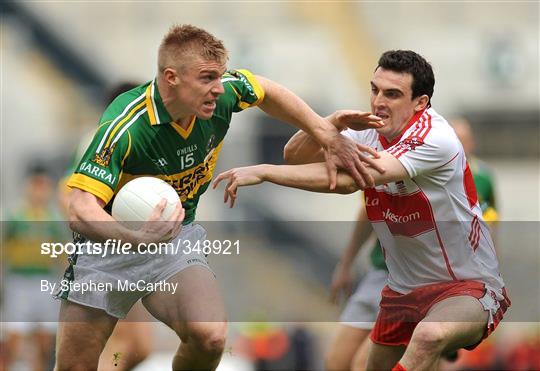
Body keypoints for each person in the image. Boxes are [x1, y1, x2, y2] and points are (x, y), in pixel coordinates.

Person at [55, 24, 384, 371]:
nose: (218, 89)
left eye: (220, 76)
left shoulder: (222, 94)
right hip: (109, 250)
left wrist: (324, 132)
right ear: (171, 78)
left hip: (173, 240)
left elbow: (266, 90)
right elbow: (80, 209)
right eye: (207, 78)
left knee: (209, 337)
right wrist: (135, 237)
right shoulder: (125, 127)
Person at [213, 50, 511, 371]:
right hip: (402, 292)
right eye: (375, 90)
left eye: (392, 94)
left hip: (465, 285)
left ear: (420, 103)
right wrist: (331, 123)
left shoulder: (435, 138)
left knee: (428, 337)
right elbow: (295, 155)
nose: (379, 101)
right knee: (344, 364)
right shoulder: (367, 131)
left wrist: (262, 172)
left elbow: (350, 181)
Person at [57, 82, 153, 371]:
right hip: (105, 257)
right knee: (117, 344)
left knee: (140, 347)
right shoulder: (100, 141)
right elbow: (67, 195)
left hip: (133, 256)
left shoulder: (139, 141)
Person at [2, 164, 66, 371]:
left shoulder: (54, 219)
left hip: (46, 281)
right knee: (14, 338)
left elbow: (63, 252)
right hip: (19, 282)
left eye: (44, 186)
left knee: (45, 341)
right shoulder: (15, 216)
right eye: (36, 186)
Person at [326, 204, 387, 371]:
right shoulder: (383, 182)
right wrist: (345, 265)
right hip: (379, 273)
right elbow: (370, 207)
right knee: (336, 363)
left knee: (363, 366)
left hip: (419, 281)